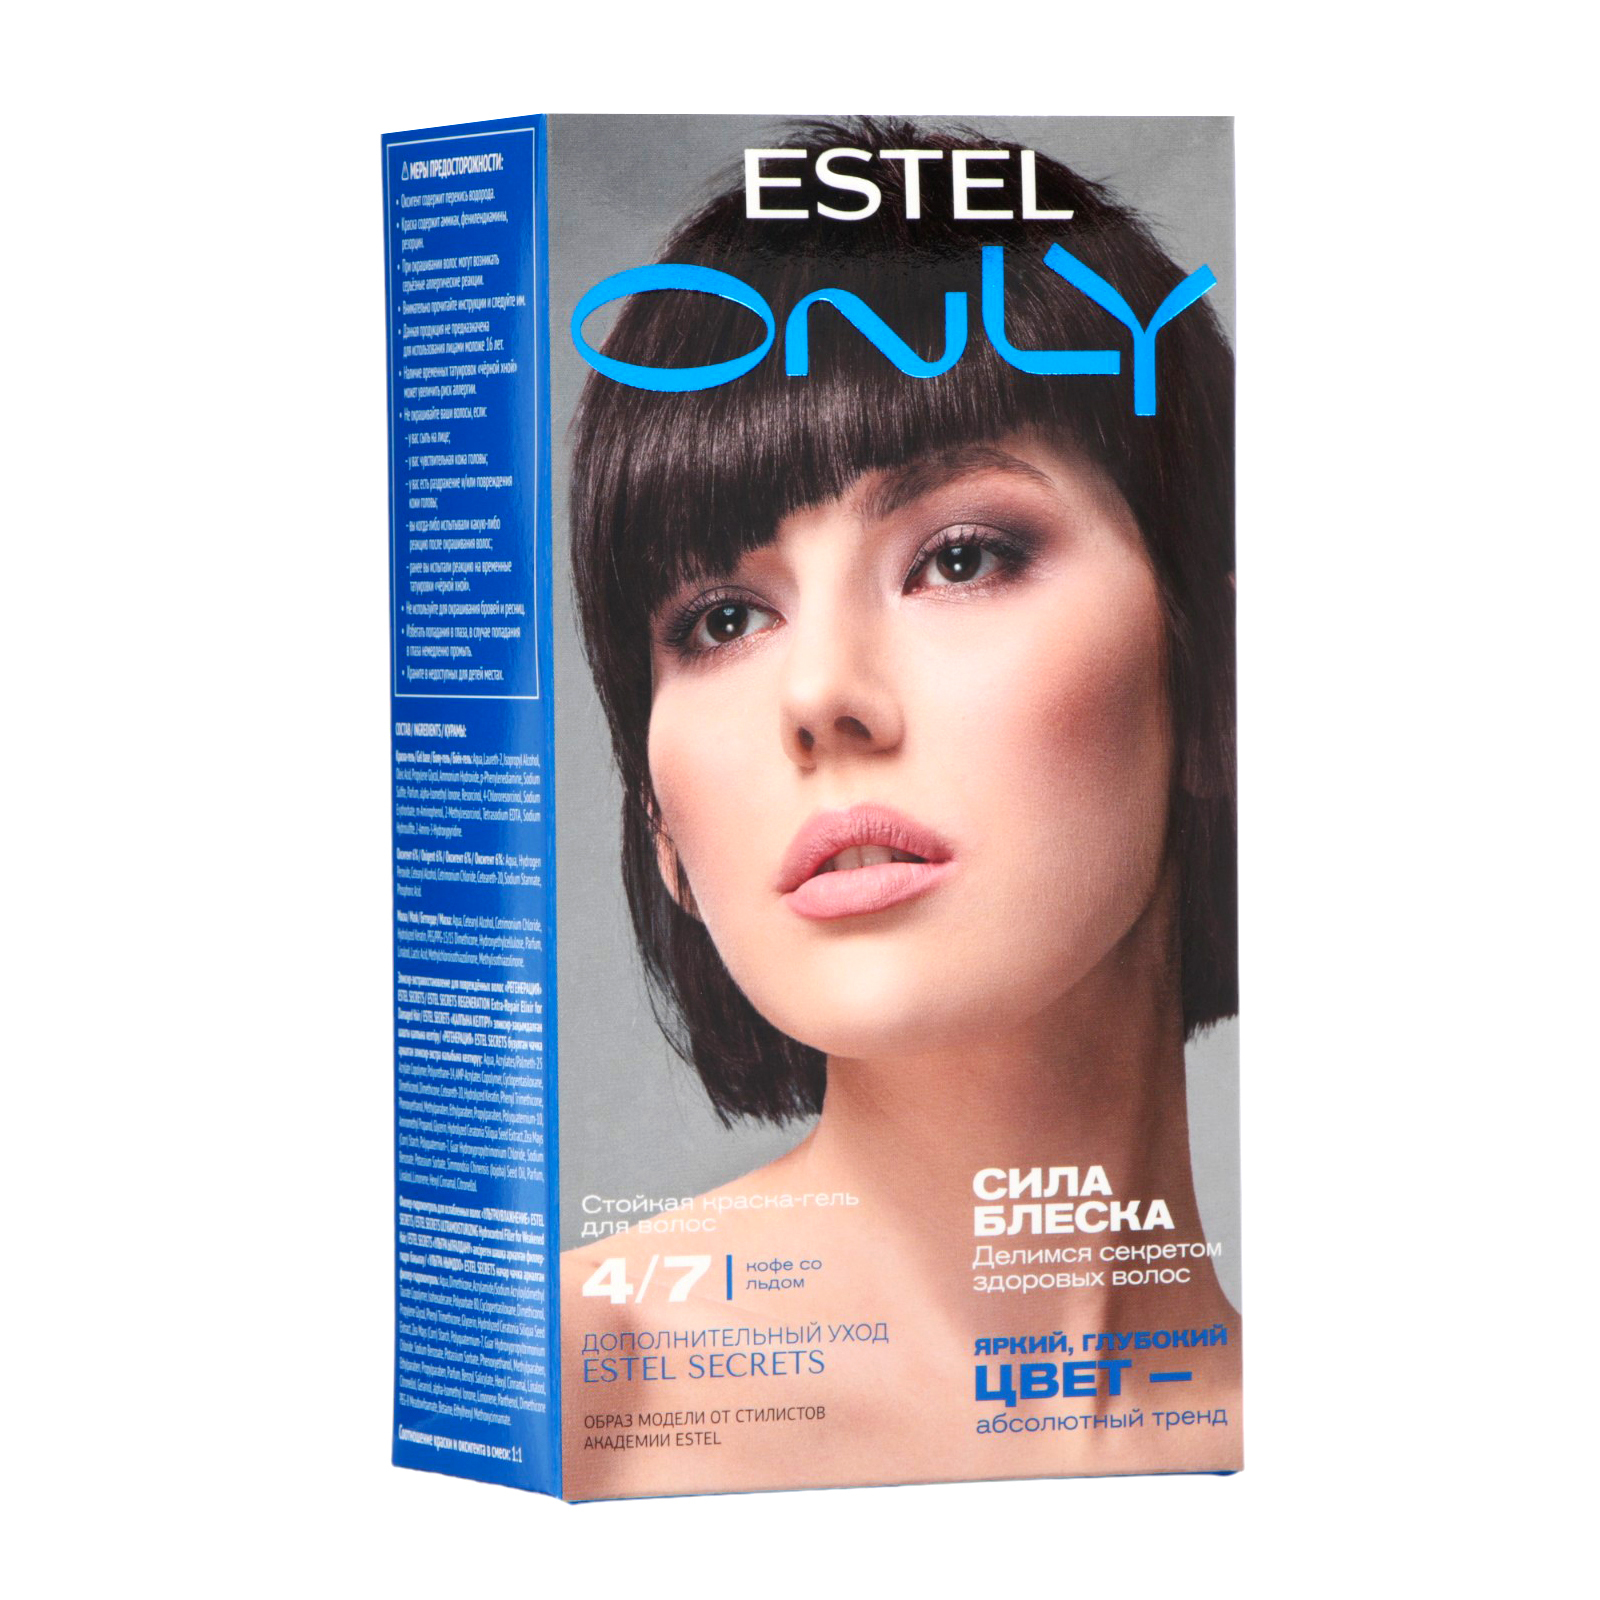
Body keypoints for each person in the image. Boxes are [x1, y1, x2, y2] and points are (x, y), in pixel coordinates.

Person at [561, 118, 1239, 1495]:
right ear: (659, 823)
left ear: (1217, 678)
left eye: (962, 557)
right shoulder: (573, 1394)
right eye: (722, 618)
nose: (821, 696)